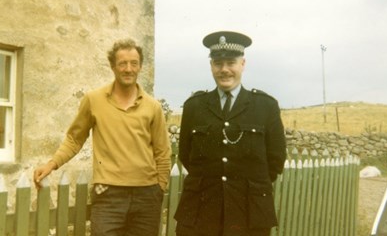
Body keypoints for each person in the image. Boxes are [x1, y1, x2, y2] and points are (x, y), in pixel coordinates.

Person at [33, 38, 171, 236]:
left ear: (140, 66)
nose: (128, 69)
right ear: (113, 66)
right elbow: (74, 139)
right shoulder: (93, 100)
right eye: (122, 63)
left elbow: (162, 151)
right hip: (108, 195)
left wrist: (160, 187)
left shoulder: (153, 106)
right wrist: (51, 164)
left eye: (134, 63)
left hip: (146, 196)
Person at [174, 31, 287, 236]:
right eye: (218, 63)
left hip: (249, 212)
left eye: (231, 63)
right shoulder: (194, 106)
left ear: (242, 64)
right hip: (201, 210)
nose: (224, 70)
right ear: (211, 66)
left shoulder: (265, 106)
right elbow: (186, 155)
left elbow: (276, 159)